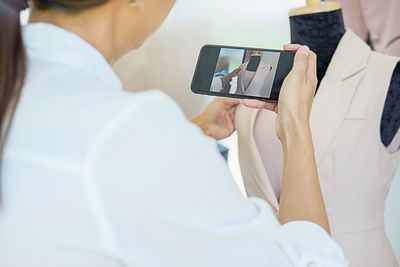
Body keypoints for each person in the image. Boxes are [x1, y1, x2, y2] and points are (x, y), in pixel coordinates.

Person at [0, 0, 347, 266]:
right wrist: (295, 125)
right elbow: (313, 261)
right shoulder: (132, 127)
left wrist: (186, 134)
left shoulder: (24, 87)